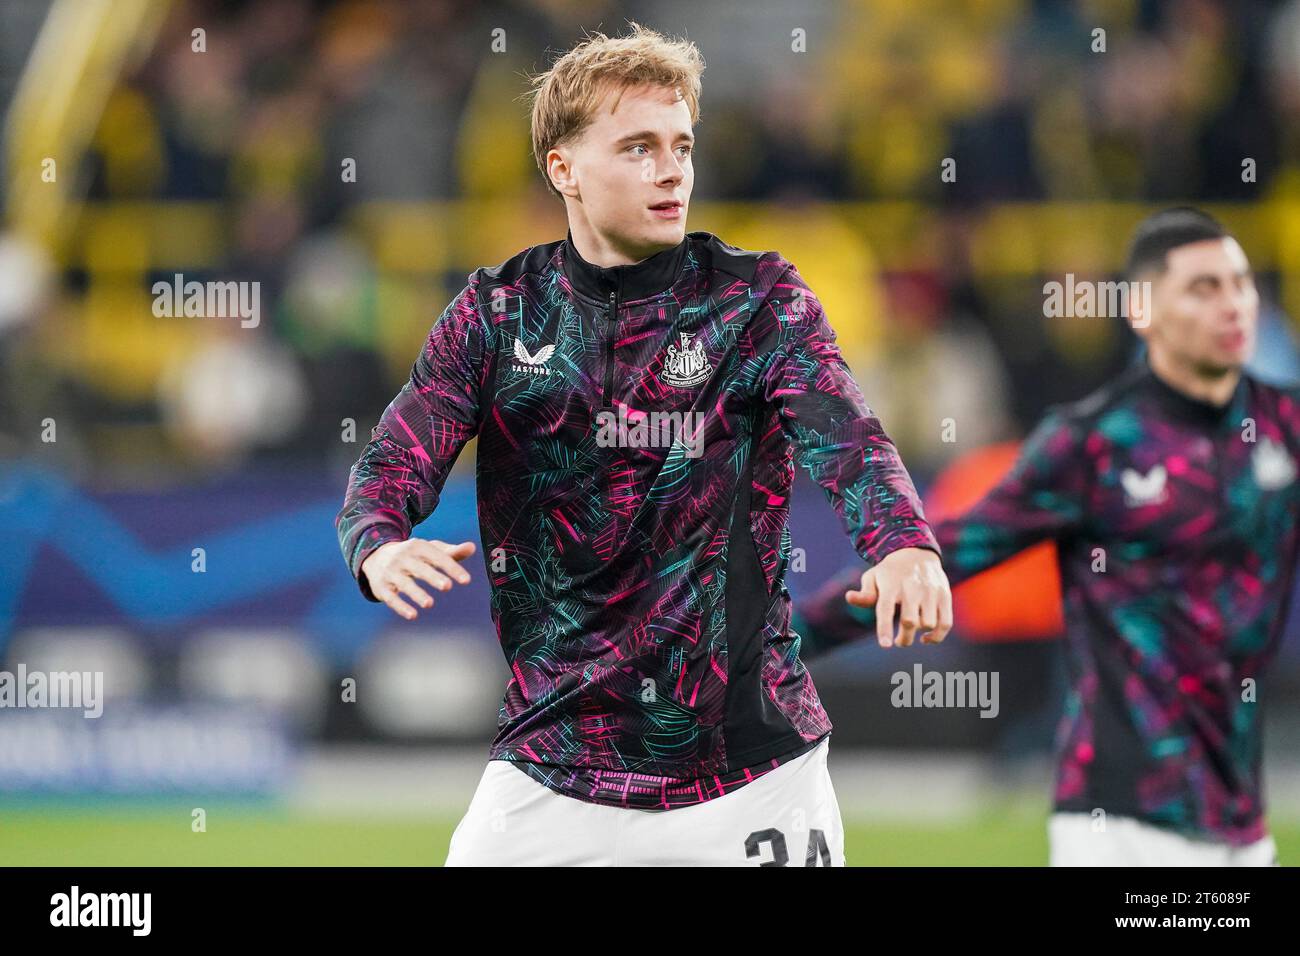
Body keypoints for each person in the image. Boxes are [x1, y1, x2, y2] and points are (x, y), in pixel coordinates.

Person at [334, 22, 951, 866]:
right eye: (638, 147)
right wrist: (377, 544)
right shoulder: (494, 315)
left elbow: (848, 440)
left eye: (682, 146)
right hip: (551, 768)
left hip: (748, 770)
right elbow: (394, 460)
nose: (671, 170)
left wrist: (903, 545)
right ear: (564, 169)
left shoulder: (759, 300)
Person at [794, 207, 1295, 866]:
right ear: (1143, 313)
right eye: (1203, 288)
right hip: (1118, 823)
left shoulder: (1282, 427)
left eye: (1240, 284)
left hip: (1241, 825)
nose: (1232, 305)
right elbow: (949, 552)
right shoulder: (1093, 442)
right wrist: (781, 641)